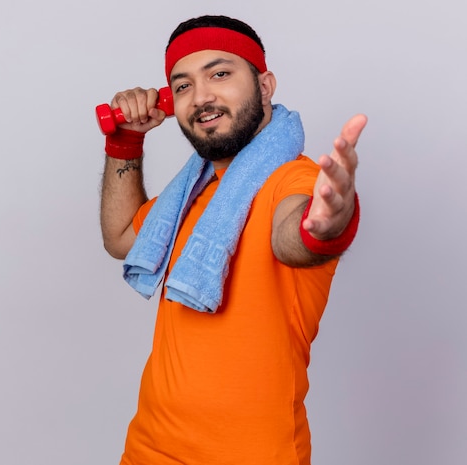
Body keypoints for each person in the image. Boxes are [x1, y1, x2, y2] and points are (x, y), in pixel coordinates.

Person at [98, 14, 366, 465]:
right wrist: (124, 141)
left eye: (220, 74)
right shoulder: (188, 198)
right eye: (182, 86)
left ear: (265, 86)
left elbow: (292, 238)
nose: (201, 97)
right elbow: (122, 236)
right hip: (149, 449)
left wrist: (327, 223)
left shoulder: (295, 180)